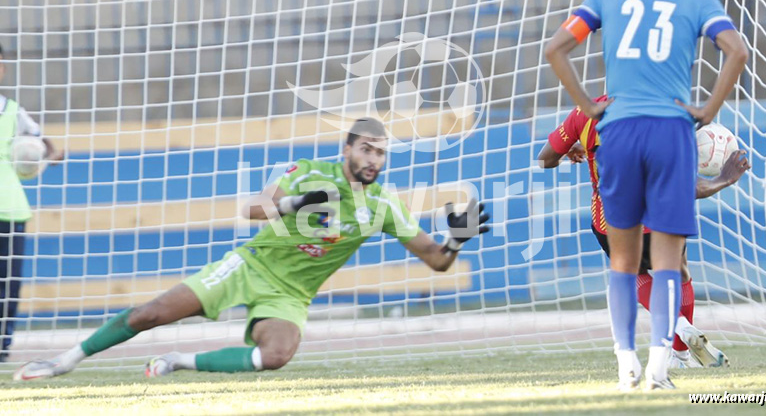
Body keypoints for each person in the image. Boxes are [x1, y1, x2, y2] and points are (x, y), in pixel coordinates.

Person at [14, 117, 490, 380]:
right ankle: (64, 361)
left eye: (381, 152)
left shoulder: (385, 205)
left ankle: (180, 361)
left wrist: (456, 239)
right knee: (149, 314)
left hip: (290, 295)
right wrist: (295, 204)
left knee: (277, 355)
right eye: (366, 148)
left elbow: (436, 262)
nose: (373, 159)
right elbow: (252, 208)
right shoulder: (308, 171)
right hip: (250, 265)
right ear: (346, 149)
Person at [545, 0, 748, 390]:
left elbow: (555, 49)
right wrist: (708, 110)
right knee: (669, 260)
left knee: (623, 260)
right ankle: (660, 367)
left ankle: (626, 363)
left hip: (619, 131)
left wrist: (588, 106)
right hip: (670, 131)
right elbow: (736, 51)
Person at [538, 96, 751, 368]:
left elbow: (544, 160)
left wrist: (574, 148)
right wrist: (723, 179)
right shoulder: (664, 113)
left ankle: (679, 327)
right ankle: (681, 354)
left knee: (631, 274)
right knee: (679, 273)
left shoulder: (584, 112)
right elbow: (686, 187)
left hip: (611, 220)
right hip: (659, 217)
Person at [0, 45, 63, 363]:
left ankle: (2, 345)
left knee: (7, 284)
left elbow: (47, 144)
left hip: (10, 209)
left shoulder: (13, 111)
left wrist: (45, 155)